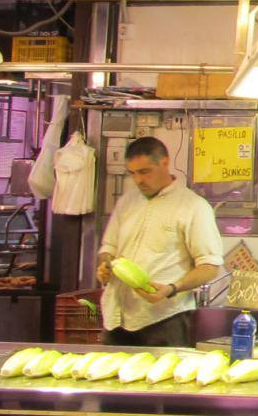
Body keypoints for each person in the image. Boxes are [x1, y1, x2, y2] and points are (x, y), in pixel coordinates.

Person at [96, 136, 224, 346]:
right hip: (115, 318)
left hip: (163, 320)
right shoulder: (126, 202)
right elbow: (108, 248)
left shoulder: (193, 206)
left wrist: (172, 288)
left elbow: (209, 266)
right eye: (133, 173)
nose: (138, 180)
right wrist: (105, 265)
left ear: (164, 163)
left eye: (145, 172)